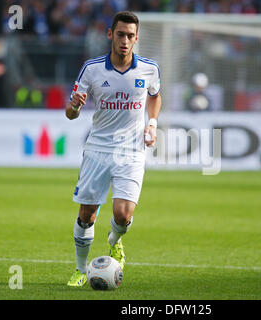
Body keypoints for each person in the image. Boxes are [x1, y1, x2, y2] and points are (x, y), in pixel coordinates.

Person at [65, 11, 162, 287]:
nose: (125, 40)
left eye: (130, 36)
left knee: (123, 214)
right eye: (120, 34)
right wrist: (74, 105)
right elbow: (70, 113)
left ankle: (114, 240)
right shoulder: (92, 69)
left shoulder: (149, 69)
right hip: (97, 148)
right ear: (110, 34)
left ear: (136, 39)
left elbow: (155, 97)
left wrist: (152, 124)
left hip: (131, 150)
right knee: (87, 215)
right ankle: (80, 270)